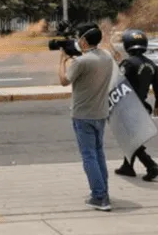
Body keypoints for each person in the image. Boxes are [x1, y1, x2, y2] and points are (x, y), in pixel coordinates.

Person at [59, 22, 114, 211]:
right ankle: (103, 191)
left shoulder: (81, 62)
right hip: (100, 113)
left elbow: (63, 81)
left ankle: (99, 197)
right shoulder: (106, 57)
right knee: (98, 154)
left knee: (89, 156)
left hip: (83, 115)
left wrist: (62, 60)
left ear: (83, 40)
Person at [114, 29, 158, 181]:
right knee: (132, 137)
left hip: (128, 105)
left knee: (131, 139)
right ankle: (128, 166)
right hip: (143, 106)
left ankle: (151, 165)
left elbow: (118, 81)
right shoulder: (152, 64)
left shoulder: (128, 63)